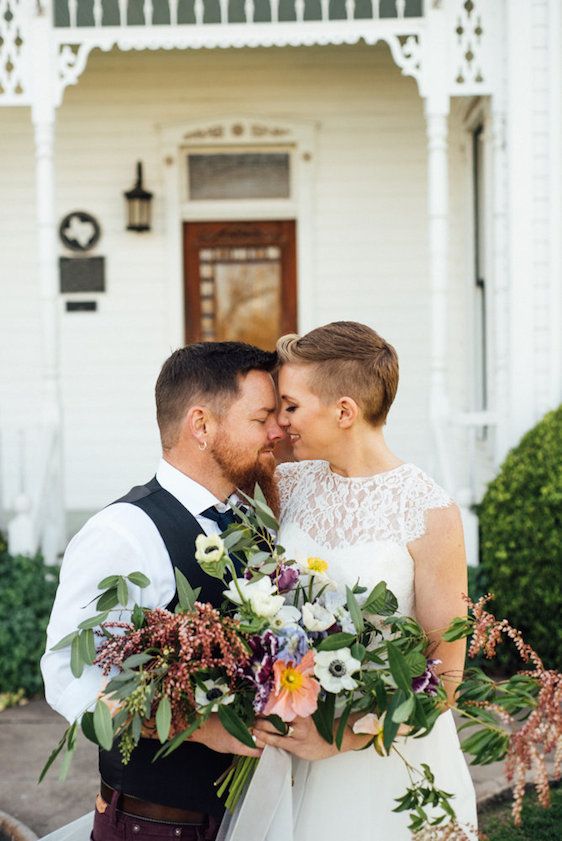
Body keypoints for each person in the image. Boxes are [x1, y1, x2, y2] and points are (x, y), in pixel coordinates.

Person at [41, 341, 284, 841]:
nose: (277, 432)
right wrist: (200, 726)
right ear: (202, 425)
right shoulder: (123, 533)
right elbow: (72, 678)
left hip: (245, 815)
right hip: (156, 823)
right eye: (262, 418)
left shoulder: (250, 520)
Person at [253, 321, 478, 840]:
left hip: (383, 752)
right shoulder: (289, 482)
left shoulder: (430, 511)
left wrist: (341, 739)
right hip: (293, 732)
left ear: (345, 411)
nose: (281, 422)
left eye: (290, 406)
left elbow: (444, 675)